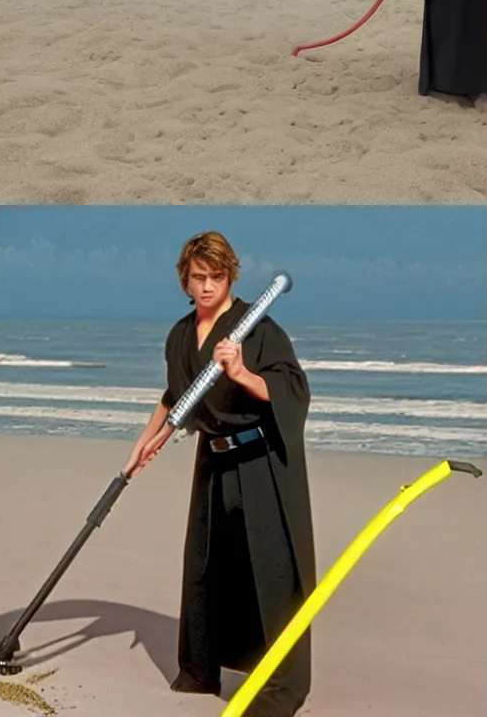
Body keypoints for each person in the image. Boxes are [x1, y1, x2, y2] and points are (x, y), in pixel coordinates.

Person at [126, 231, 315, 715]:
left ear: (230, 276)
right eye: (198, 278)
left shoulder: (259, 329)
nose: (207, 287)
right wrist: (146, 443)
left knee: (273, 570)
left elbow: (293, 391)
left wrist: (242, 375)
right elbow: (175, 397)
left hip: (261, 460)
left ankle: (281, 689)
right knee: (208, 564)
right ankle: (200, 671)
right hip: (213, 458)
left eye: (216, 277)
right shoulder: (180, 334)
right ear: (185, 282)